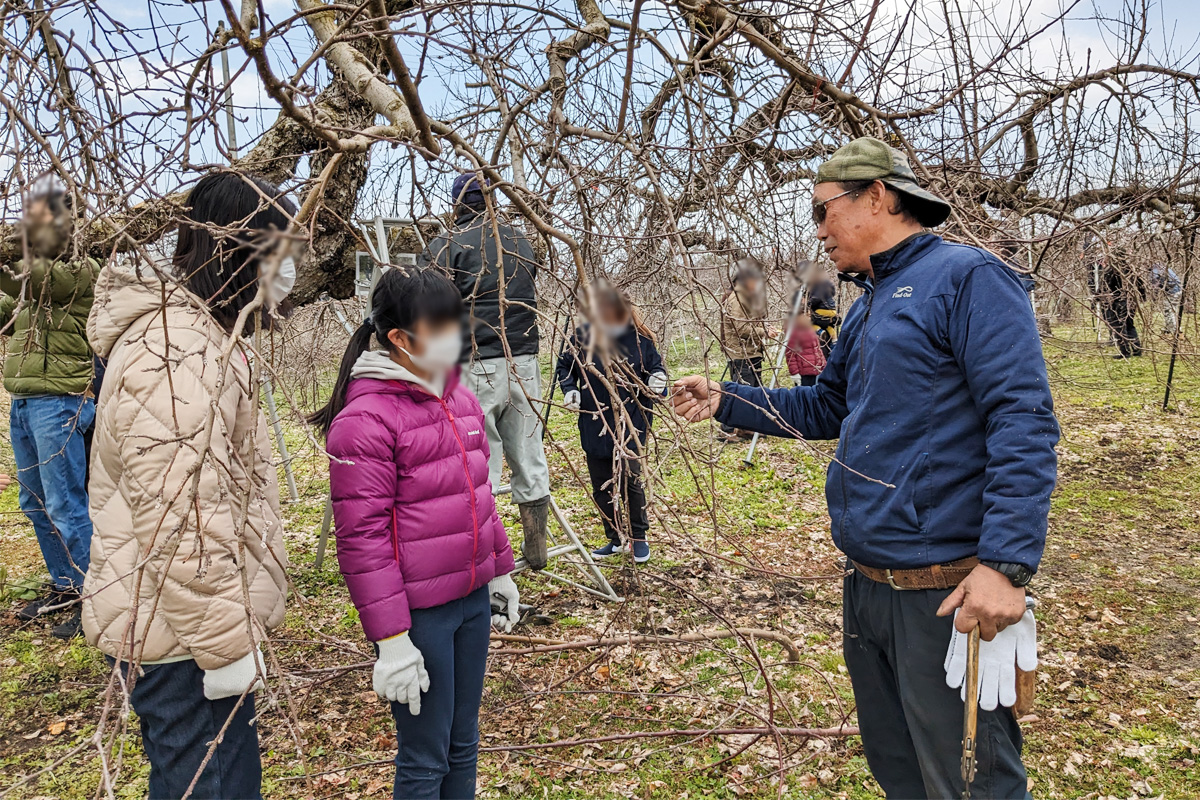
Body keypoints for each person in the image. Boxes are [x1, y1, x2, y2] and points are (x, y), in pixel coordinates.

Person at [673, 137, 1059, 799]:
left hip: (944, 592)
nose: (818, 229)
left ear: (877, 196)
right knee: (900, 772)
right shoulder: (870, 303)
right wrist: (726, 400)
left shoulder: (969, 279)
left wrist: (1007, 564)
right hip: (869, 589)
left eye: (824, 210)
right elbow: (829, 406)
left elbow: (1022, 419)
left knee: (970, 784)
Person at [82, 172, 293, 799]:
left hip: (189, 629)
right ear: (237, 252)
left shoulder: (203, 337)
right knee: (207, 786)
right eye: (280, 257)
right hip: (182, 641)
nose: (288, 277)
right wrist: (225, 646)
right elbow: (180, 516)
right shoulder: (174, 354)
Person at [311, 266, 520, 800]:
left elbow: (478, 496)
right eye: (441, 328)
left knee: (463, 743)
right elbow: (363, 541)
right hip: (419, 618)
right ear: (400, 339)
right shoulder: (366, 421)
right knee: (425, 759)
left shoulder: (459, 399)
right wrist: (391, 640)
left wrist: (499, 571)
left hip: (471, 601)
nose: (457, 339)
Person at [423, 173, 552, 570]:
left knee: (480, 462)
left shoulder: (447, 246)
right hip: (525, 359)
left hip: (476, 361)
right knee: (529, 454)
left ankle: (486, 559)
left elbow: (431, 306)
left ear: (458, 205)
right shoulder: (520, 240)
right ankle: (537, 550)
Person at [0, 189, 97, 639]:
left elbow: (32, 280)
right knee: (34, 502)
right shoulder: (29, 279)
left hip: (58, 400)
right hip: (24, 400)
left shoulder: (81, 270)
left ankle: (95, 599)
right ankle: (66, 585)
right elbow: (8, 308)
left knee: (65, 503)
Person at [555, 282, 667, 563]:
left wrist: (657, 382)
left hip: (633, 422)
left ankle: (639, 537)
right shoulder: (582, 337)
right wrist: (569, 388)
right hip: (594, 421)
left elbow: (657, 369)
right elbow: (564, 367)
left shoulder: (640, 340)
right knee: (601, 483)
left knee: (631, 479)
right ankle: (615, 537)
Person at [718, 256, 770, 441]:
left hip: (750, 352)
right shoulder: (737, 298)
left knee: (751, 391)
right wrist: (763, 332)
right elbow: (740, 328)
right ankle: (729, 429)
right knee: (741, 392)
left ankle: (743, 428)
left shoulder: (745, 296)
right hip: (742, 353)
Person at [1097, 245, 1144, 358]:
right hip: (1131, 301)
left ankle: (1125, 352)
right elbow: (1140, 284)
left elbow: (1104, 287)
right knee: (1129, 325)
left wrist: (1096, 298)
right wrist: (1142, 297)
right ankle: (1137, 349)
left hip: (1118, 302)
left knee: (1119, 327)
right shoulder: (1130, 269)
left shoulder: (1111, 271)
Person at [802, 260, 840, 360]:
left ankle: (821, 332)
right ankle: (834, 342)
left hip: (821, 349)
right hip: (814, 350)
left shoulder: (814, 296)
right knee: (829, 328)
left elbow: (836, 320)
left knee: (816, 323)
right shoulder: (824, 294)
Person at [784, 304, 825, 386]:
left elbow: (817, 349)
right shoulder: (793, 331)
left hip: (816, 370)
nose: (809, 318)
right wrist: (794, 373)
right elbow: (790, 354)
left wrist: (823, 364)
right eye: (807, 315)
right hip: (804, 373)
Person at [1149, 262, 1182, 334]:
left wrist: (1154, 298)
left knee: (1168, 311)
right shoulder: (1163, 267)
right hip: (1179, 290)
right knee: (1174, 310)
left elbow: (1155, 285)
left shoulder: (1154, 272)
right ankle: (1170, 328)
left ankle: (1175, 331)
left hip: (1172, 291)